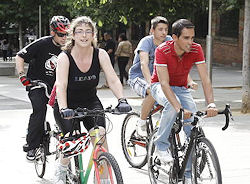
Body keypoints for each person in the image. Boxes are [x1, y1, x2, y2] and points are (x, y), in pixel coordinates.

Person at [53, 16, 132, 184]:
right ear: (72, 35)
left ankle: (103, 180)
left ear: (93, 35)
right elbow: (61, 85)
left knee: (101, 138)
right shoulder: (64, 57)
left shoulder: (100, 54)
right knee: (72, 142)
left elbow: (112, 79)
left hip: (90, 102)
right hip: (67, 104)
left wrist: (122, 100)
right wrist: (64, 108)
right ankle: (61, 168)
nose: (84, 35)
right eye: (79, 31)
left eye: (88, 31)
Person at [150, 19, 218, 184]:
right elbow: (164, 84)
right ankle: (160, 145)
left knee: (192, 132)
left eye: (192, 37)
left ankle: (187, 175)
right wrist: (178, 107)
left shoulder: (196, 49)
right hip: (159, 85)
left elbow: (205, 79)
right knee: (172, 107)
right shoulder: (162, 50)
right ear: (174, 37)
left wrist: (211, 103)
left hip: (182, 88)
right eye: (186, 38)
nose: (190, 42)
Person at [15, 16, 70, 161]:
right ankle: (32, 146)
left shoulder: (70, 47)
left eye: (67, 34)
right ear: (53, 32)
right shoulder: (42, 43)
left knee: (64, 111)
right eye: (61, 34)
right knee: (39, 110)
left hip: (58, 87)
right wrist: (22, 76)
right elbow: (20, 56)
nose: (64, 38)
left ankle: (67, 139)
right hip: (37, 84)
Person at [128, 16, 173, 136]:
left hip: (160, 78)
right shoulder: (146, 42)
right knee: (153, 92)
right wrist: (151, 83)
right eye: (160, 29)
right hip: (139, 77)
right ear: (152, 31)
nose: (164, 32)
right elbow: (143, 63)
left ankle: (161, 128)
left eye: (166, 29)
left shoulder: (169, 41)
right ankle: (141, 123)